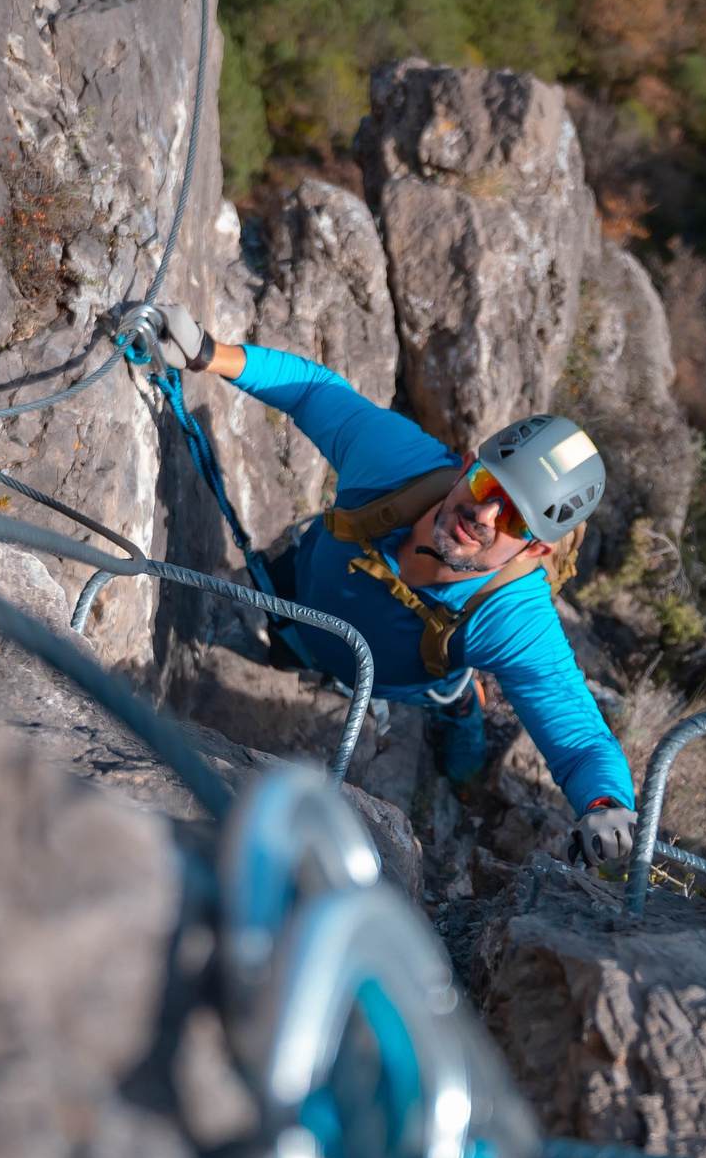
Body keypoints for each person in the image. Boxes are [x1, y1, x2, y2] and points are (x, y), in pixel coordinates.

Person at [152, 304, 640, 871]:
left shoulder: (512, 618)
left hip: (392, 675)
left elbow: (578, 736)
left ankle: (461, 711)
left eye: (512, 518)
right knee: (236, 625)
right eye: (486, 482)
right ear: (465, 465)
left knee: (456, 731)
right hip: (292, 602)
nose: (482, 512)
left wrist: (607, 804)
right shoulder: (395, 463)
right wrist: (209, 355)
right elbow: (313, 392)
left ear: (536, 549)